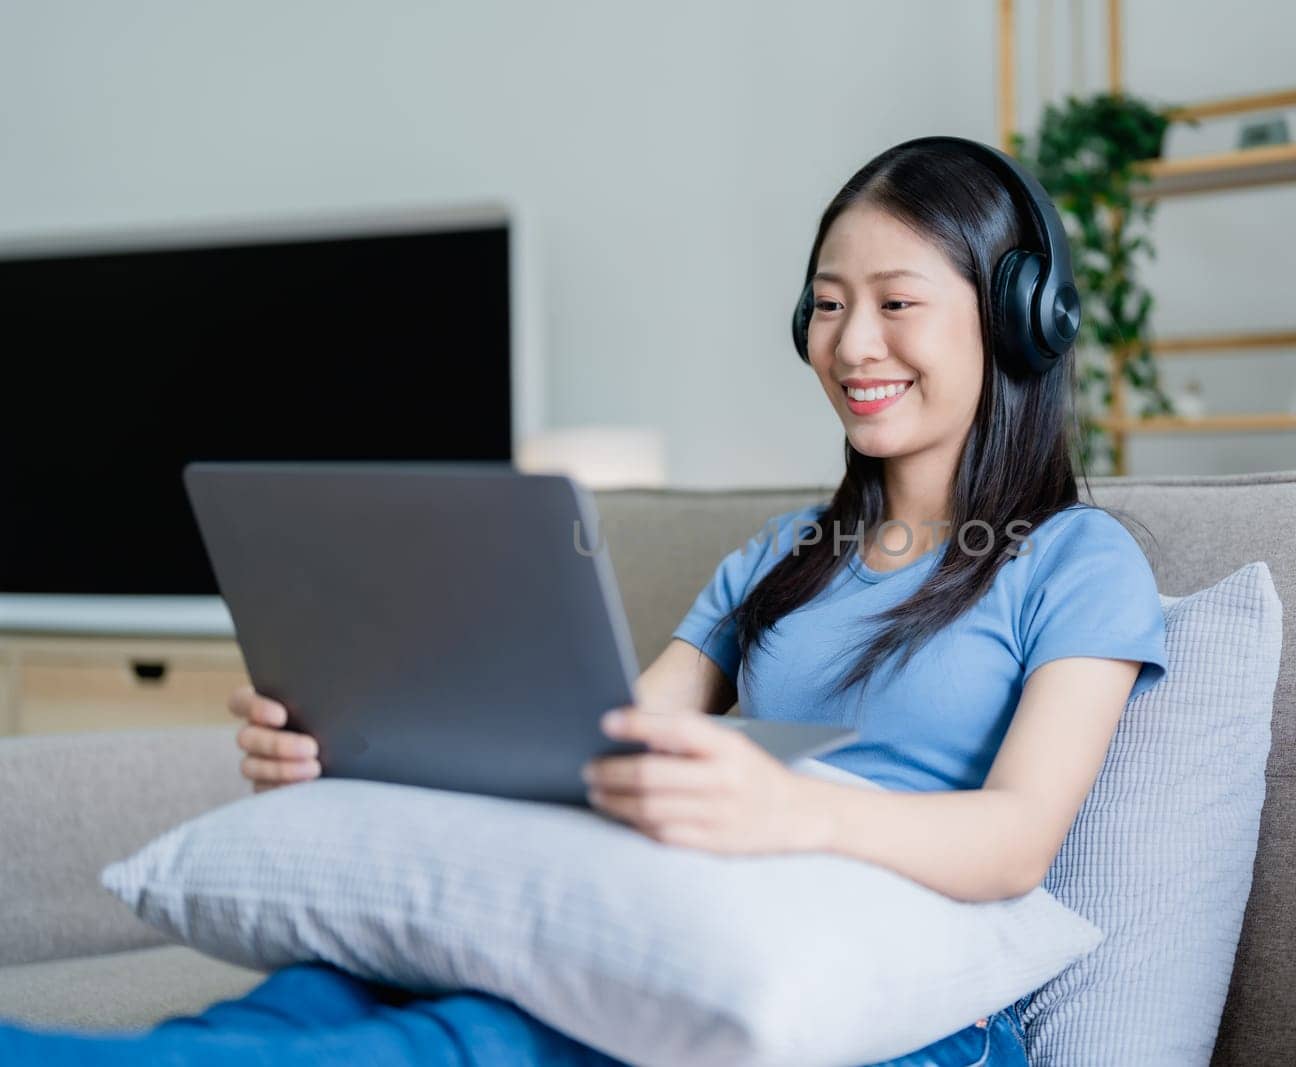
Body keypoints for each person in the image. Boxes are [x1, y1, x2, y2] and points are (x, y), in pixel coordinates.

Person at [0, 135, 1168, 1066]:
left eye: (896, 301)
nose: (849, 341)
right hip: (687, 931)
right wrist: (352, 742)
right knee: (319, 994)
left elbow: (1018, 837)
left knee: (487, 1037)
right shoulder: (773, 559)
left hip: (903, 1015)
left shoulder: (1076, 560)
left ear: (1017, 317)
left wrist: (790, 811)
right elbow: (590, 737)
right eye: (825, 302)